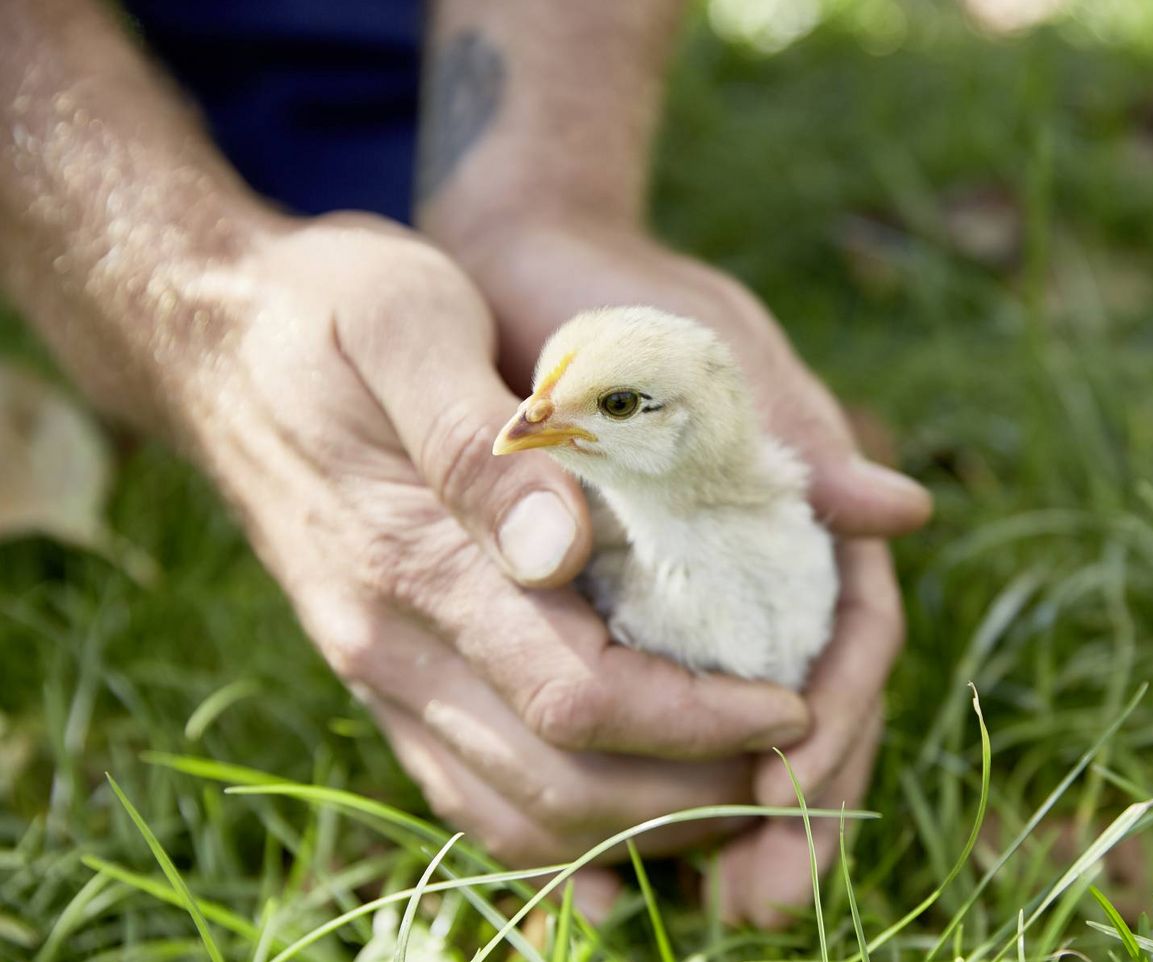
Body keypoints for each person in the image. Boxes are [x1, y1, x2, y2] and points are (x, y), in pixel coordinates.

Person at [0, 0, 932, 925]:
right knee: (370, 336)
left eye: (610, 405)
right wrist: (205, 317)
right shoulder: (621, 527)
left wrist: (542, 210)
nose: (524, 423)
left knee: (413, 232)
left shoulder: (753, 524)